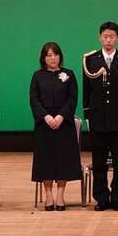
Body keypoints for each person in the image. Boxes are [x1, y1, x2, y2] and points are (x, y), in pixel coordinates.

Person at [83, 20, 118, 211]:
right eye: (105, 36)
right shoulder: (90, 59)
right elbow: (86, 90)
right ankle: (101, 198)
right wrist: (88, 116)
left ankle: (117, 198)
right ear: (100, 37)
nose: (108, 40)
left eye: (112, 37)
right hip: (98, 118)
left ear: (117, 38)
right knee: (99, 161)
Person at [30, 42, 82, 210]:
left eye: (55, 54)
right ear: (43, 58)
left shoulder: (69, 74)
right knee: (46, 160)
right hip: (44, 124)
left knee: (63, 160)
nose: (53, 58)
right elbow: (34, 99)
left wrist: (60, 116)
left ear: (60, 56)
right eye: (49, 55)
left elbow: (72, 98)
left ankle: (60, 195)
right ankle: (48, 196)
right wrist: (46, 117)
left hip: (64, 123)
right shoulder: (38, 76)